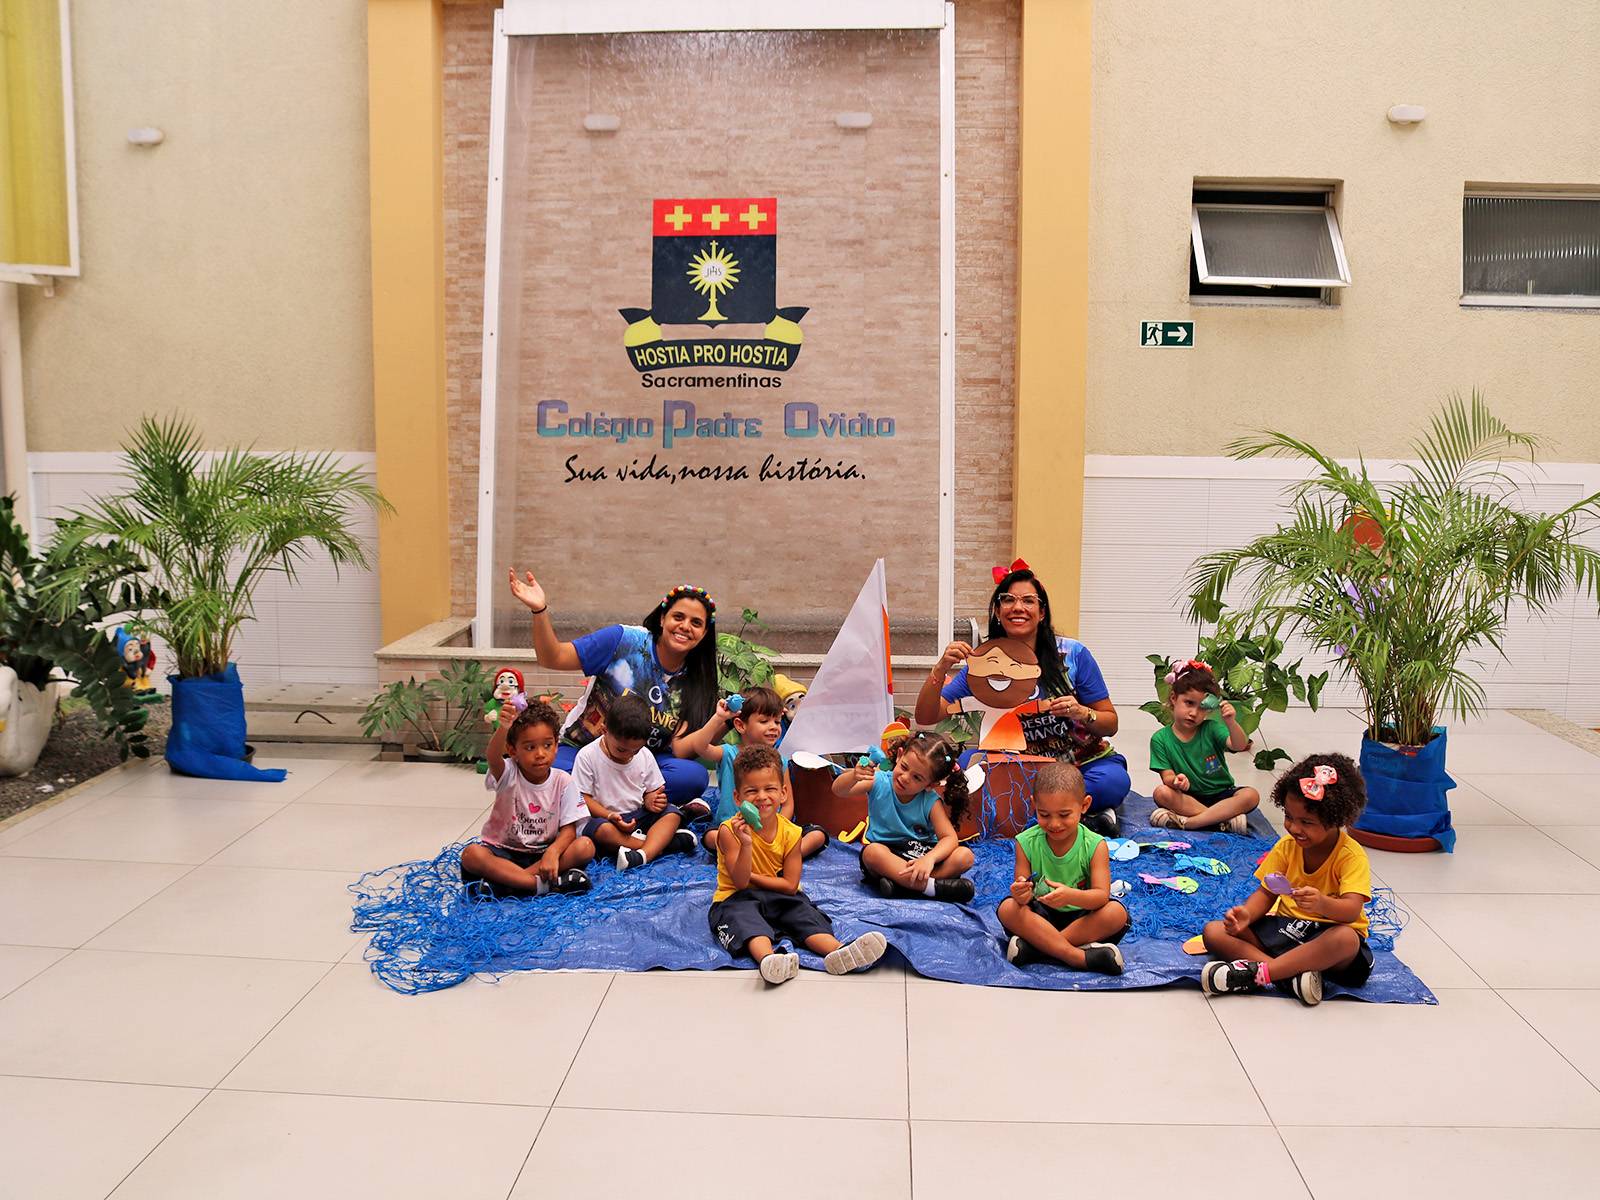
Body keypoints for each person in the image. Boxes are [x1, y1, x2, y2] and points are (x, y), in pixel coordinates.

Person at [915, 560, 1130, 836]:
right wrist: (941, 667)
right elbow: (927, 716)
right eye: (1008, 600)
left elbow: (1110, 723)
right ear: (997, 611)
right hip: (1019, 768)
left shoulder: (1073, 654)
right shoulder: (983, 663)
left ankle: (1034, 810)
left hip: (1080, 765)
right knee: (967, 767)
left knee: (1112, 782)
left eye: (1028, 601)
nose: (1018, 607)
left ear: (1042, 612)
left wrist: (1082, 712)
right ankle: (1080, 814)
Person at [508, 568, 717, 814]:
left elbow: (679, 748)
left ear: (704, 633)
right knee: (554, 776)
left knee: (693, 777)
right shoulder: (623, 641)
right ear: (662, 618)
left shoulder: (698, 678)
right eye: (678, 617)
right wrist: (539, 610)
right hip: (582, 752)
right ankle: (633, 810)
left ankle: (596, 804)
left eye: (696, 623)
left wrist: (725, 719)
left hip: (642, 765)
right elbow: (551, 657)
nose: (685, 626)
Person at [1200, 752, 1374, 1007]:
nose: (1294, 828)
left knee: (1345, 939)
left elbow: (1351, 911)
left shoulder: (1351, 856)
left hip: (1328, 944)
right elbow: (1266, 893)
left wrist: (1322, 904)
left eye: (1306, 822)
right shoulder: (1286, 846)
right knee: (1214, 932)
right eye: (1289, 817)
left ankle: (1262, 973)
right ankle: (1289, 976)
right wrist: (1247, 915)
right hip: (1287, 931)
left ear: (1334, 820)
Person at [709, 744, 889, 984]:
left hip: (780, 896)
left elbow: (790, 886)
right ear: (738, 798)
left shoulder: (792, 833)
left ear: (783, 793)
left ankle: (839, 951)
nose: (761, 796)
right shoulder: (729, 831)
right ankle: (768, 959)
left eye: (770, 789)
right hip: (736, 898)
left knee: (802, 914)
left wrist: (754, 878)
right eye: (751, 791)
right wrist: (746, 844)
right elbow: (740, 883)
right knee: (745, 919)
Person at [997, 762, 1128, 974]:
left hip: (1082, 918)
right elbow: (1022, 895)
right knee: (1007, 908)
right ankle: (1077, 957)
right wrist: (1020, 893)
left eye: (1064, 815)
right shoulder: (1025, 842)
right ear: (1034, 805)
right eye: (1044, 815)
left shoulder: (1095, 845)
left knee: (1117, 913)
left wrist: (1070, 897)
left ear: (1084, 805)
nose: (1054, 824)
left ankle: (1039, 949)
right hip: (1040, 917)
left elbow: (1100, 897)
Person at [459, 698, 595, 898]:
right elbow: (493, 758)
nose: (540, 754)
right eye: (530, 748)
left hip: (542, 855)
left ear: (556, 746)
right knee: (472, 854)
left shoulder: (563, 781)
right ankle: (539, 886)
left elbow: (569, 829)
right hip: (503, 852)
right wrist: (504, 726)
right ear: (513, 751)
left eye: (547, 745)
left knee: (585, 847)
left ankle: (508, 884)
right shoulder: (508, 773)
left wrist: (553, 852)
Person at [679, 685, 827, 858]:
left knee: (817, 834)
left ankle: (771, 856)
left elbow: (787, 804)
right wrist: (719, 717)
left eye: (777, 721)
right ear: (740, 725)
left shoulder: (780, 761)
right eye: (764, 721)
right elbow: (700, 746)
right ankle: (775, 857)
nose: (773, 727)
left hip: (773, 833)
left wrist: (777, 827)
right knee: (710, 837)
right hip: (735, 831)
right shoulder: (728, 754)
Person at [834, 730, 976, 903]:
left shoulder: (930, 801)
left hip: (922, 855)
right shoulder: (879, 781)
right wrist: (853, 776)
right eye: (904, 767)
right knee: (872, 852)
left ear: (931, 785)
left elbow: (949, 838)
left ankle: (904, 885)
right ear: (899, 756)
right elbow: (839, 790)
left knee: (965, 856)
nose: (905, 778)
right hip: (889, 855)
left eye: (917, 778)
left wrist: (929, 859)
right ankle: (932, 887)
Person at [570, 694, 697, 871]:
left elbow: (651, 792)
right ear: (603, 730)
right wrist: (610, 816)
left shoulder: (644, 755)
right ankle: (659, 845)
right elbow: (582, 798)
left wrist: (652, 800)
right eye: (621, 749)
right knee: (602, 831)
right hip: (604, 820)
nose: (628, 755)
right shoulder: (588, 756)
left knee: (672, 813)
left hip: (636, 819)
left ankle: (641, 854)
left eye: (635, 750)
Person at [1148, 659, 1260, 833]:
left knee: (1251, 795)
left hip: (1221, 794)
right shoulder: (1160, 739)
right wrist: (1176, 781)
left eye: (1202, 707)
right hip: (1188, 798)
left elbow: (1239, 745)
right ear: (1174, 698)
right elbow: (1167, 776)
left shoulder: (1211, 729)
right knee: (1161, 793)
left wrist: (1231, 723)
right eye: (1189, 703)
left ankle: (1190, 823)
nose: (1194, 713)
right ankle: (1222, 820)